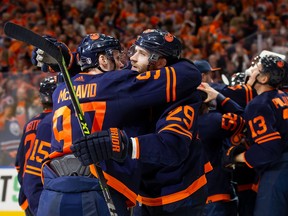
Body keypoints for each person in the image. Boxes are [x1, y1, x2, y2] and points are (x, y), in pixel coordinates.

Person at [33, 30, 203, 216]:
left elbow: (173, 146)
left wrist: (67, 60)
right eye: (131, 52)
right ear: (104, 60)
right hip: (114, 189)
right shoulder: (123, 82)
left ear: (161, 63)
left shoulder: (63, 88)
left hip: (177, 195)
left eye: (142, 54)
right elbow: (189, 74)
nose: (130, 61)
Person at [223, 54, 288, 216]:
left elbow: (269, 148)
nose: (250, 72)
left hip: (280, 169)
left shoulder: (259, 104)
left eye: (256, 69)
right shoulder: (284, 96)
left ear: (264, 78)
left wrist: (237, 157)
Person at [15, 76, 57, 216]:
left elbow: (19, 164)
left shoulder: (29, 124)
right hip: (49, 193)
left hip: (28, 192)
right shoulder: (59, 120)